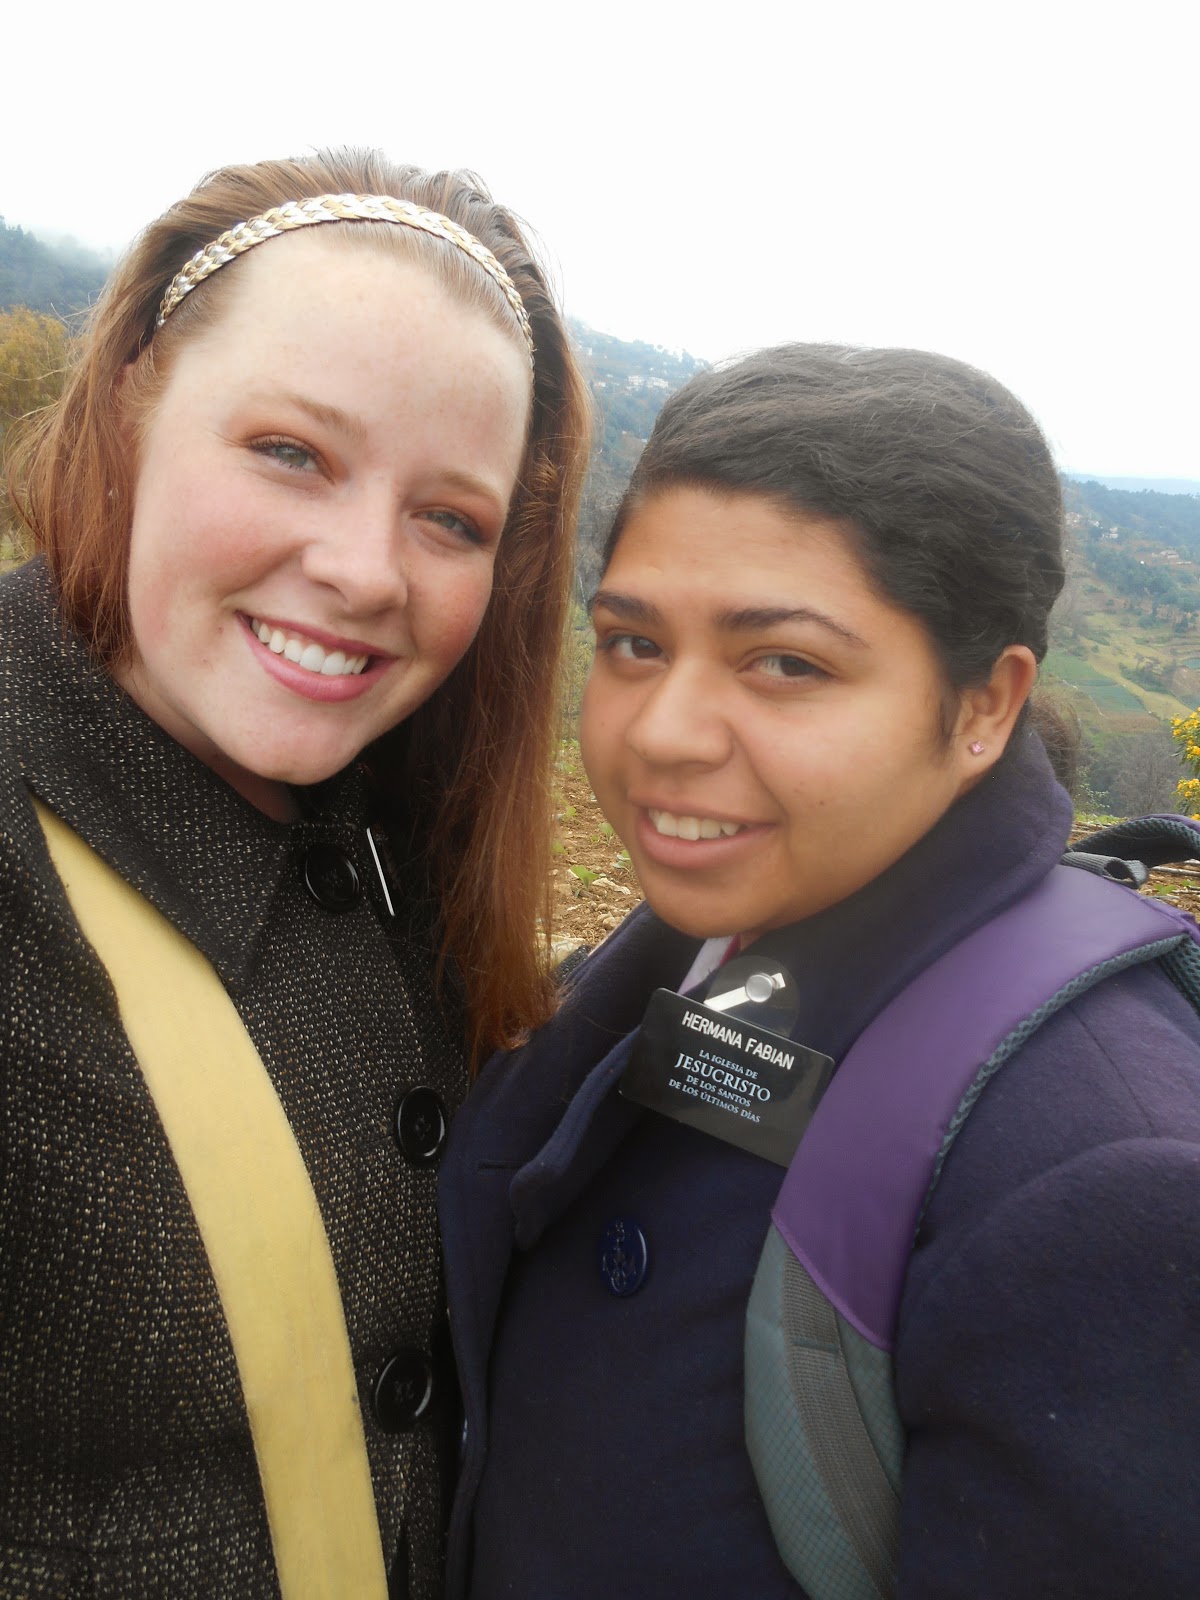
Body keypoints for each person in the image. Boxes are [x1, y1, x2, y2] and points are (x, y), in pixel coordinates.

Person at [439, 345, 1200, 1599]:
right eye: (632, 642)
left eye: (786, 663)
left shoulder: (1105, 1174)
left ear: (984, 704)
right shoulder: (729, 921)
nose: (663, 732)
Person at [0, 149, 590, 1597]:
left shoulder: (406, 818)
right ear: (131, 406)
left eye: (450, 519)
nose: (368, 571)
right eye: (291, 452)